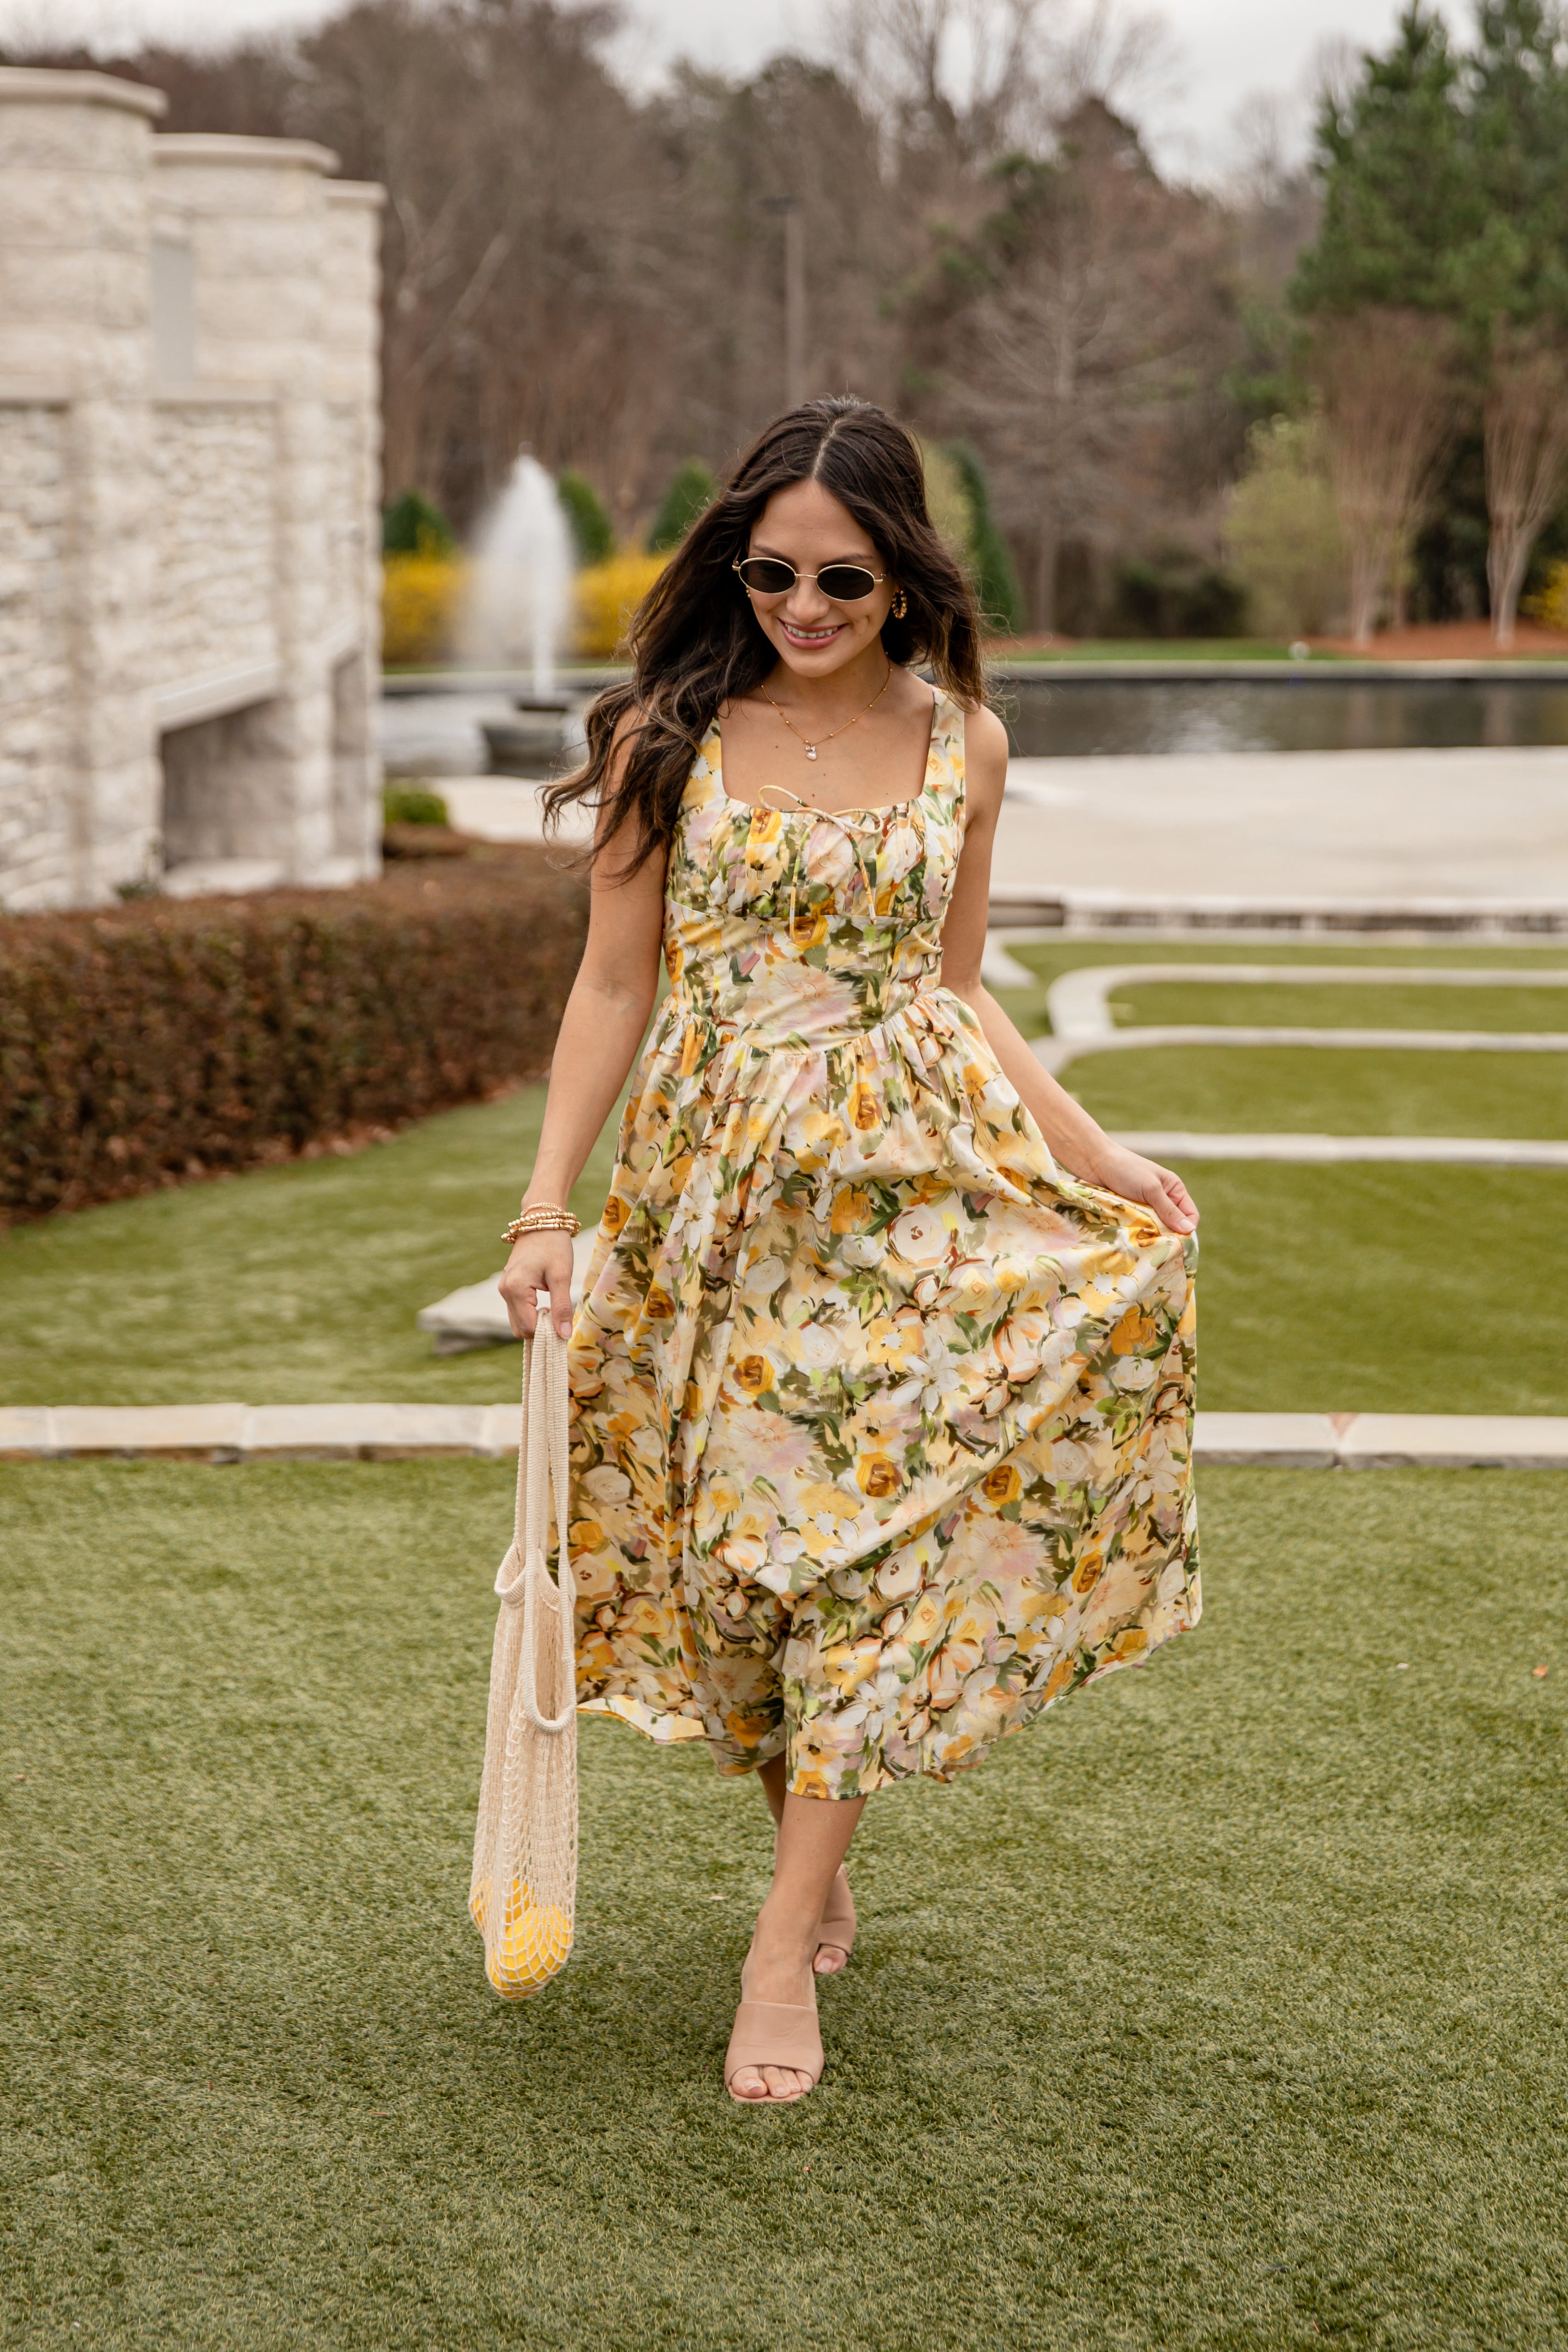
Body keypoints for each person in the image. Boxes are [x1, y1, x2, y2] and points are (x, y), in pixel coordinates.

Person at [500, 398, 1201, 2105]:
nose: (802, 608)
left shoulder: (967, 740)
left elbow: (952, 983)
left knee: (870, 1556)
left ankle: (777, 1936)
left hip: (915, 1185)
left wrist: (1090, 1149)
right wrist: (543, 1207)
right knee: (746, 1569)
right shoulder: (666, 735)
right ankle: (814, 1864)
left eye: (841, 578)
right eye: (770, 574)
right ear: (732, 568)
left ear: (901, 579)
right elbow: (612, 983)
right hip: (714, 1201)